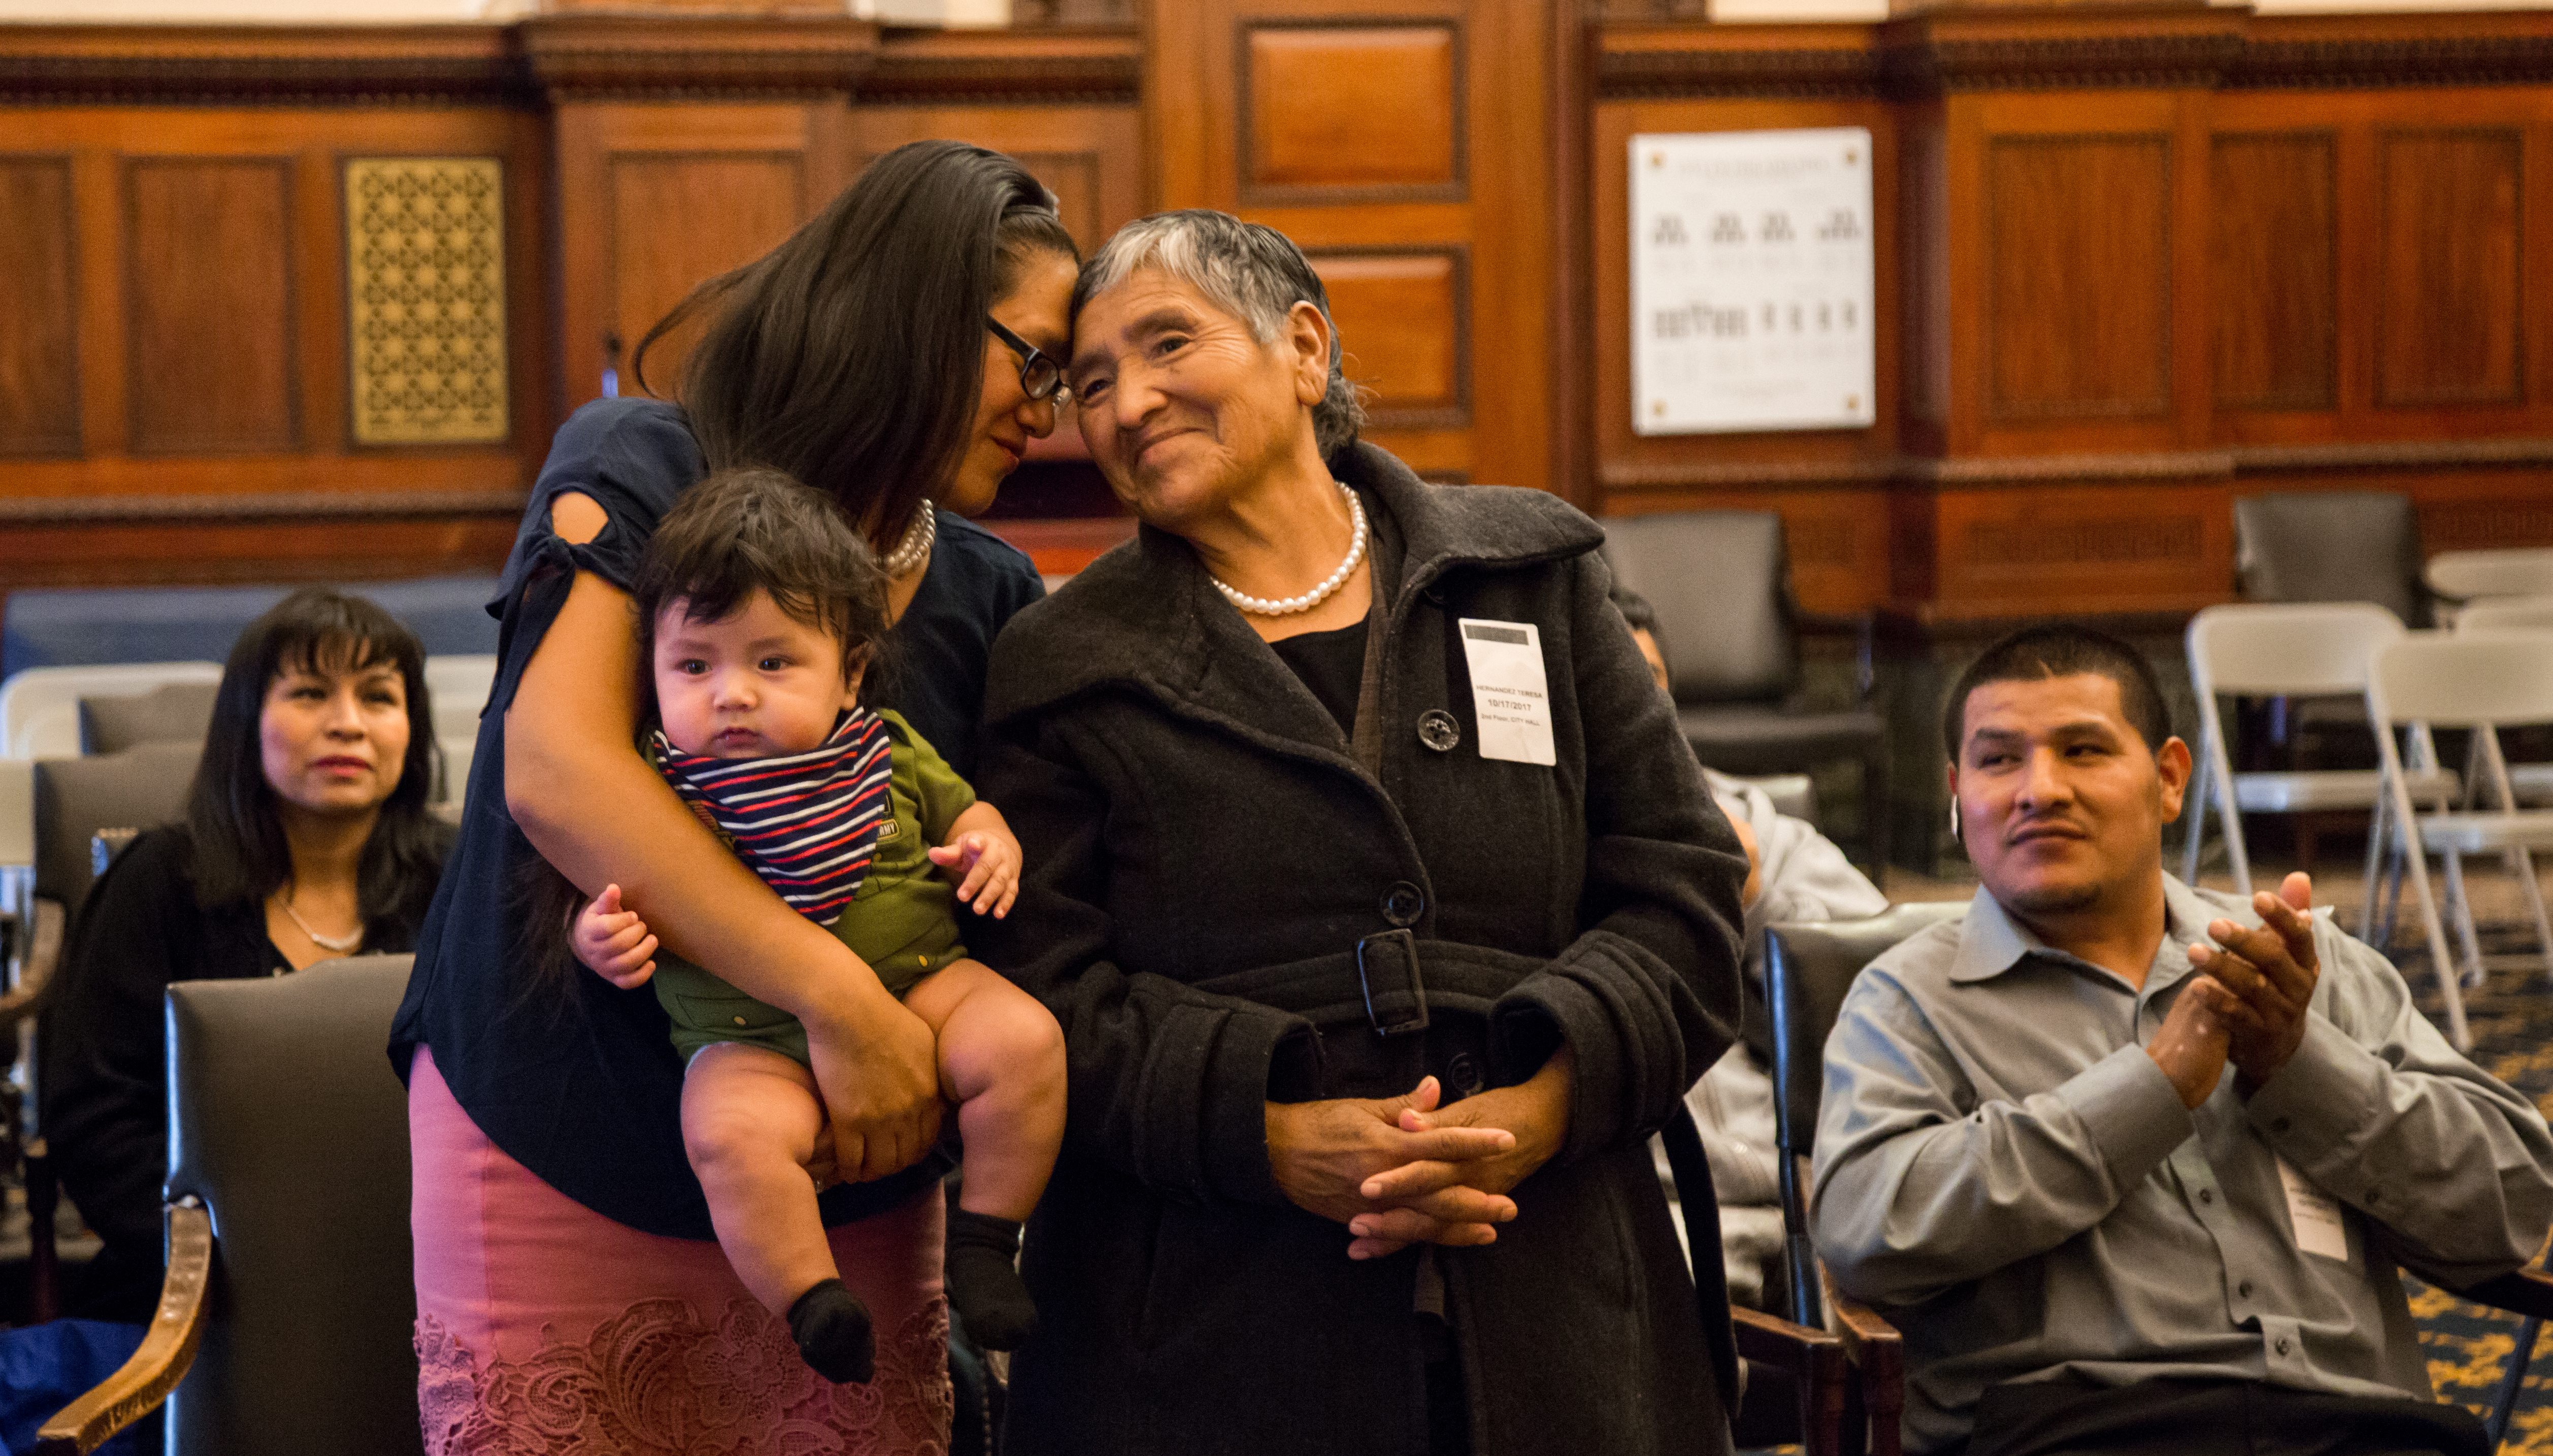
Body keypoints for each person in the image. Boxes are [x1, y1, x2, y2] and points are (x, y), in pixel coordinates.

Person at [974, 209, 1749, 1456]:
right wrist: (1267, 1135)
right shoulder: (1061, 662)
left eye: (1170, 344)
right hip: (1207, 1323)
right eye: (1091, 381)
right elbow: (1043, 990)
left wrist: (1544, 1102)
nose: (1126, 404)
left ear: (1302, 348)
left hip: (1556, 1284)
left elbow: (1686, 890)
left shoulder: (1530, 574)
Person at [391, 140, 1073, 1452]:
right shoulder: (645, 458)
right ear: (921, 313)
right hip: (560, 1118)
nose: (1048, 408)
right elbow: (559, 772)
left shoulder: (987, 583)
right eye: (1030, 357)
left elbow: (972, 863)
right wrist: (843, 1000)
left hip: (850, 1180)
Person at [1812, 624, 2553, 1456]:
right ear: (1956, 794)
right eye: (1997, 760)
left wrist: (2298, 1065)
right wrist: (2149, 1090)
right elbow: (1867, 1230)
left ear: (2167, 781)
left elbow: (2514, 1206)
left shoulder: (2303, 966)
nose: (2039, 790)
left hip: (2360, 1426)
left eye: (2083, 750)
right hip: (2084, 1432)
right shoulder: (1908, 1000)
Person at [556, 468, 1064, 1381]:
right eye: (694, 665)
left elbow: (967, 814)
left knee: (1025, 1043)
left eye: (772, 661)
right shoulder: (654, 783)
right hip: (742, 1037)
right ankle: (811, 1300)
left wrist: (989, 844)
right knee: (726, 1138)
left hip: (922, 986)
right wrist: (598, 939)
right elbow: (604, 897)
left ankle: (986, 1238)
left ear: (851, 672)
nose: (732, 695)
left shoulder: (885, 747)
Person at [45, 588, 449, 1322]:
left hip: (425, 1273)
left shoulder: (458, 881)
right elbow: (94, 1118)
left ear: (411, 729)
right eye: (310, 693)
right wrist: (227, 1247)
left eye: (380, 697)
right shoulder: (162, 881)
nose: (349, 724)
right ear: (246, 722)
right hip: (199, 1287)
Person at [1613, 586, 1886, 1308]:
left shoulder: (1760, 826)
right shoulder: (1519, 861)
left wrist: (1755, 905)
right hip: (1655, 1203)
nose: (1636, 714)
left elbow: (1882, 997)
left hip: (1817, 1177)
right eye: (1608, 683)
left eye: (1652, 687)